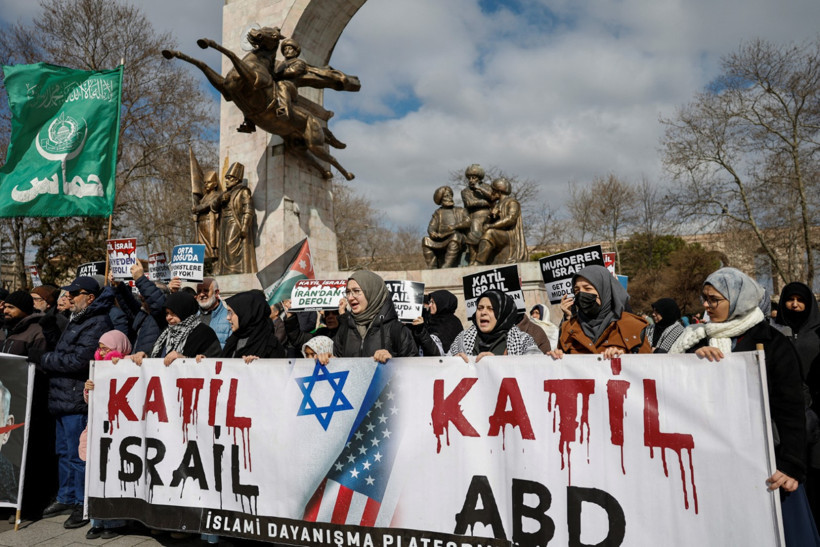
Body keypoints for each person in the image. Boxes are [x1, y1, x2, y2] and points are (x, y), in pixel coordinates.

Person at [668, 268, 818, 545]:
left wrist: (791, 466)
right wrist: (691, 361)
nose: (706, 305)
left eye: (714, 299)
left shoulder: (773, 344)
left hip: (766, 463)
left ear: (739, 299)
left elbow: (791, 410)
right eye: (704, 298)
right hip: (709, 462)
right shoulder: (694, 339)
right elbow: (670, 391)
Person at [27, 276, 114, 529]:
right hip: (62, 396)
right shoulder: (78, 318)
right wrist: (51, 331)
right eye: (69, 293)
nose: (70, 297)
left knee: (78, 455)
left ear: (90, 297)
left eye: (76, 293)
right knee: (64, 452)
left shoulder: (97, 322)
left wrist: (44, 359)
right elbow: (64, 351)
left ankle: (81, 502)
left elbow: (78, 361)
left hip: (76, 397)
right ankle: (66, 496)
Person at [0, 290, 56, 518]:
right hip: (7, 402)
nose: (5, 310)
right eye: (5, 307)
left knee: (27, 455)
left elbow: (40, 369)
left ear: (23, 309)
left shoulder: (37, 331)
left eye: (11, 307)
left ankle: (28, 504)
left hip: (29, 403)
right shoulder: (8, 330)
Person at [772, 281, 820, 525]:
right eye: (790, 300)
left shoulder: (817, 333)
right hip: (787, 417)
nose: (794, 305)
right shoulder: (773, 334)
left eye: (800, 300)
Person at [82, 330, 131, 540]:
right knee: (97, 475)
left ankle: (115, 522)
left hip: (119, 431)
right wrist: (88, 389)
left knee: (113, 476)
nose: (102, 353)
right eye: (100, 348)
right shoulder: (98, 368)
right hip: (99, 428)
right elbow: (91, 402)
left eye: (106, 349)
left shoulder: (129, 365)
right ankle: (97, 521)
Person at [549, 265, 651, 359]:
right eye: (576, 290)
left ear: (605, 291)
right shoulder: (568, 328)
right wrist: (556, 357)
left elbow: (648, 368)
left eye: (588, 288)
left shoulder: (633, 327)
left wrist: (624, 359)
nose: (581, 293)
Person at [319, 270, 417, 364]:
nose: (350, 297)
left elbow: (414, 368)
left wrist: (392, 361)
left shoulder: (397, 330)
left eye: (356, 291)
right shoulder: (345, 329)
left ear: (373, 292)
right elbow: (339, 364)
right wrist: (330, 360)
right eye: (348, 292)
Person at [128, 292, 221, 366]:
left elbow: (214, 363)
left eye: (173, 313)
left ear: (184, 311)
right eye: (167, 313)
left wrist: (184, 359)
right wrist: (146, 356)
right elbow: (157, 355)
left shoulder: (204, 333)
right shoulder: (166, 332)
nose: (168, 318)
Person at [449, 290, 540, 360]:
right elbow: (444, 366)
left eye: (491, 309)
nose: (483, 312)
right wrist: (452, 362)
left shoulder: (523, 341)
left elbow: (535, 369)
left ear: (502, 314)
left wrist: (498, 364)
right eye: (480, 308)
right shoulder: (462, 339)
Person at [110, 263, 167, 354]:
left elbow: (157, 302)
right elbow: (129, 304)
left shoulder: (162, 316)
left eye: (145, 295)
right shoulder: (142, 314)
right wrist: (118, 285)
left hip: (149, 361)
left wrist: (140, 279)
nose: (141, 296)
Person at [473, 177, 527, 265]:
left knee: (490, 233)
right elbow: (488, 222)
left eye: (493, 191)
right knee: (478, 234)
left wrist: (492, 226)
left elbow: (511, 219)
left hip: (510, 235)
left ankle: (479, 262)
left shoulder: (512, 202)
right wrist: (491, 216)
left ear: (499, 192)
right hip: (500, 234)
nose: (492, 193)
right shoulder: (497, 205)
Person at [220, 290, 285, 361]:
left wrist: (258, 364)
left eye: (231, 313)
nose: (228, 317)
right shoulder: (234, 339)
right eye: (228, 312)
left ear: (245, 314)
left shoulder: (270, 345)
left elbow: (278, 366)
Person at [195, 278, 232, 348]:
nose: (201, 294)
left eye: (206, 290)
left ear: (216, 293)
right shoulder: (193, 316)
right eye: (199, 291)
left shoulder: (229, 316)